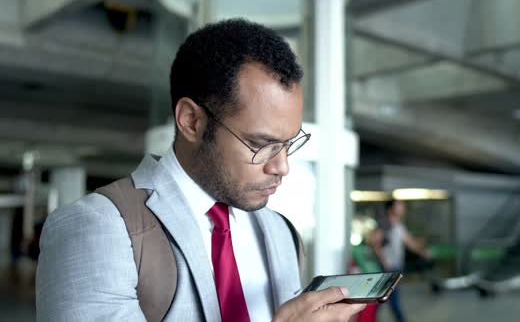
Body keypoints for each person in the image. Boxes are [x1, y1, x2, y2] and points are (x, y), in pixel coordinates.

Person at [36, 19, 365, 322]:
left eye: (288, 143)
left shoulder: (280, 232)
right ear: (191, 121)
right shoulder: (99, 227)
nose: (282, 166)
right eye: (260, 143)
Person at [373, 200, 430, 322]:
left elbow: (409, 242)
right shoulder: (384, 224)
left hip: (396, 265)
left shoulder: (399, 225)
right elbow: (376, 244)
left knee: (386, 295)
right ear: (390, 209)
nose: (402, 208)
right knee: (388, 296)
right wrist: (384, 263)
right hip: (388, 267)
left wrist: (422, 252)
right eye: (399, 206)